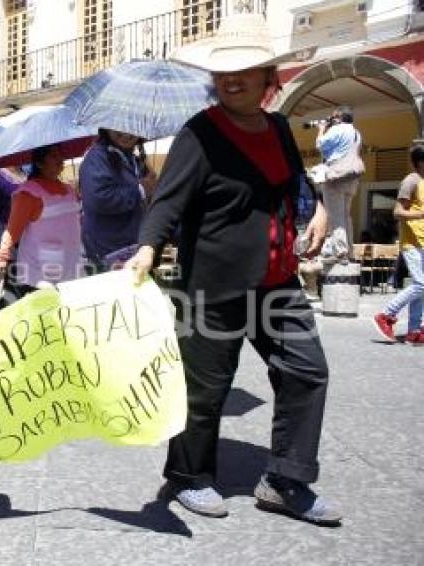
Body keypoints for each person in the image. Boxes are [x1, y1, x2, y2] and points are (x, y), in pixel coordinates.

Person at [126, 13, 340, 525]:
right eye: (224, 72)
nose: (233, 79)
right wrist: (148, 249)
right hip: (211, 284)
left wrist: (319, 209)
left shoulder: (281, 129)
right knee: (204, 390)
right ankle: (187, 477)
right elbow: (166, 202)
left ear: (270, 76)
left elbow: (291, 185)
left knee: (308, 372)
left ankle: (286, 480)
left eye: (246, 69)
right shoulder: (200, 134)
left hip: (277, 281)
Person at [0, 144, 82, 303]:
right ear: (39, 163)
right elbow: (13, 229)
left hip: (71, 266)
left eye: (60, 155)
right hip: (40, 274)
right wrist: (2, 257)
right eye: (53, 156)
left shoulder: (69, 190)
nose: (60, 159)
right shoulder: (28, 193)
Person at [79, 128, 157, 271]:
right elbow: (99, 198)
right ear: (107, 127)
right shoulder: (97, 158)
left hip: (133, 247)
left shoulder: (134, 159)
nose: (127, 133)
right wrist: (141, 190)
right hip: (108, 252)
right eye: (120, 128)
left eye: (133, 127)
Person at [373, 144, 424, 344]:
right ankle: (386, 315)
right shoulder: (410, 181)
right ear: (420, 162)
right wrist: (421, 214)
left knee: (422, 287)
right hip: (411, 242)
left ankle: (414, 330)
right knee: (421, 284)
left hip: (422, 241)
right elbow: (397, 212)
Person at [315, 106, 364, 259]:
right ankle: (349, 249)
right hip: (351, 177)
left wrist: (321, 129)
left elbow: (320, 145)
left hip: (336, 176)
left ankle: (340, 250)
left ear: (339, 117)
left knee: (335, 215)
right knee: (345, 215)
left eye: (333, 116)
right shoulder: (356, 132)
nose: (331, 118)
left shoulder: (338, 129)